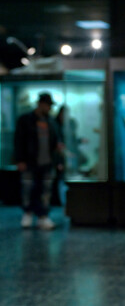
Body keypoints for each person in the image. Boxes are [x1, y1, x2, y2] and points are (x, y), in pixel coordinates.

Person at [14, 92, 64, 230]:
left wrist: (58, 152)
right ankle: (27, 212)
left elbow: (56, 140)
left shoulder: (51, 122)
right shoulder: (25, 120)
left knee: (45, 189)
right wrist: (20, 159)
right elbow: (19, 140)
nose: (48, 108)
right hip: (30, 161)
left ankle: (43, 215)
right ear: (40, 104)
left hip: (47, 162)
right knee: (28, 188)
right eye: (47, 105)